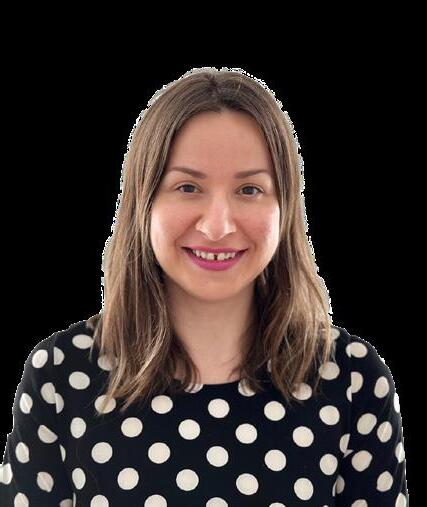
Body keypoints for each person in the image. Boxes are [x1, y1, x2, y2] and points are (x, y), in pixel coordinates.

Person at [1, 68, 409, 505]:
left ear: (285, 207)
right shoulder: (61, 374)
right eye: (188, 186)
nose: (218, 227)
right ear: (144, 202)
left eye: (249, 189)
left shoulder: (351, 379)